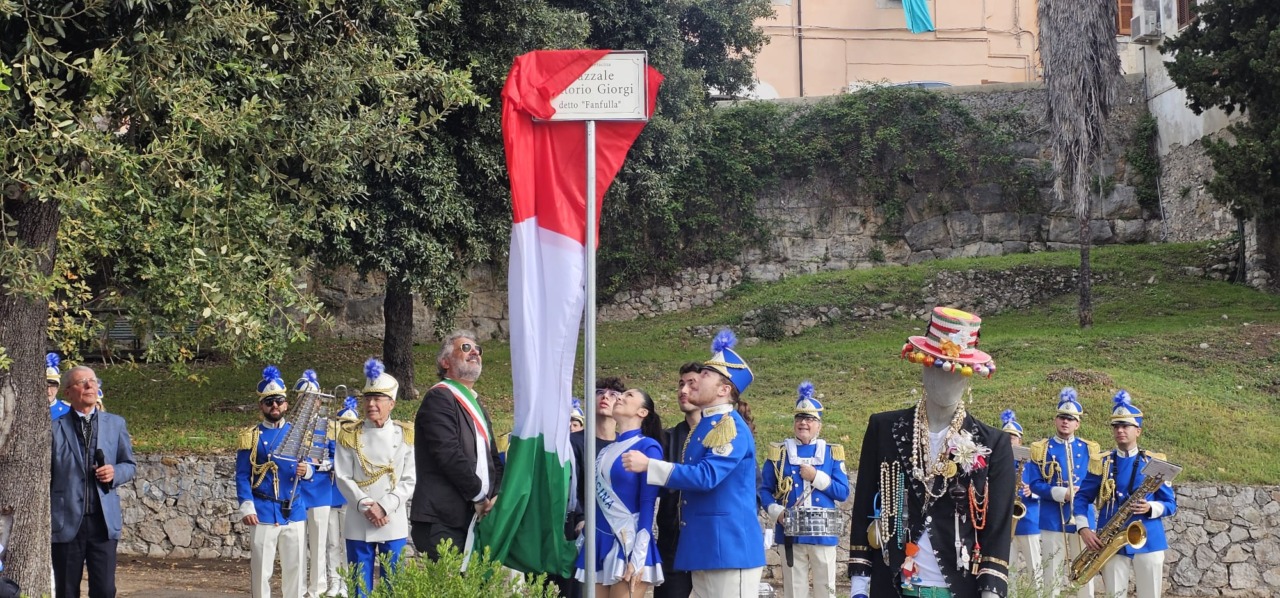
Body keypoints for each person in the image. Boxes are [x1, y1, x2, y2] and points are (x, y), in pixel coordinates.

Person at [847, 307, 1014, 598]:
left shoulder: (993, 443)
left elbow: (997, 527)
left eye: (955, 371)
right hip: (893, 583)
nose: (946, 381)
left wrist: (992, 591)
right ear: (923, 366)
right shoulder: (884, 428)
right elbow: (863, 504)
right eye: (938, 367)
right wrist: (859, 582)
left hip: (960, 586)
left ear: (968, 376)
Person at [622, 329, 765, 596]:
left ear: (724, 389)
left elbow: (706, 476)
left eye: (705, 375)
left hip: (729, 550)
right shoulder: (707, 425)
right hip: (705, 549)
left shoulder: (729, 425)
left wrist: (650, 466)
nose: (696, 380)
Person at [1072, 391, 1177, 598]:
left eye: (1126, 426)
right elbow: (1082, 498)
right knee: (1114, 594)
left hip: (1149, 538)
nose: (1120, 430)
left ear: (1138, 430)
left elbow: (1170, 504)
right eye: (1116, 426)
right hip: (1110, 541)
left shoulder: (1154, 463)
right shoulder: (1102, 462)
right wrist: (1084, 528)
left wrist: (1151, 508)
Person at [410, 331, 503, 561]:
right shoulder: (440, 398)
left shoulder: (477, 404)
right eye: (465, 348)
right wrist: (480, 496)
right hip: (443, 519)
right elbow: (448, 454)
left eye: (477, 349)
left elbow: (492, 458)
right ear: (445, 361)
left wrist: (496, 494)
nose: (475, 352)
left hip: (474, 517)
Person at [50, 365, 136, 598]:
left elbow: (129, 465)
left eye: (93, 381)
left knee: (105, 590)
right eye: (82, 382)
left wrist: (114, 473)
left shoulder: (115, 424)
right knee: (67, 591)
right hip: (66, 522)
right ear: (68, 392)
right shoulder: (53, 429)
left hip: (103, 523)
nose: (89, 386)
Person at [334, 359, 416, 598]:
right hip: (360, 521)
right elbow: (342, 477)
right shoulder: (349, 434)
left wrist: (384, 507)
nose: (371, 404)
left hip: (392, 519)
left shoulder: (405, 434)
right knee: (359, 586)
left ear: (391, 403)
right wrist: (365, 506)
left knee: (394, 585)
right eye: (367, 398)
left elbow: (409, 479)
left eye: (378, 398)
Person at [760, 381, 850, 598]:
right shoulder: (779, 454)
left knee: (826, 590)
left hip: (824, 534)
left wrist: (816, 477)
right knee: (793, 591)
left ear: (819, 425)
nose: (803, 423)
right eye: (799, 418)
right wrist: (776, 512)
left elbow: (842, 492)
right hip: (791, 533)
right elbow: (763, 490)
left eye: (810, 419)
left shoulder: (832, 453)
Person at [575, 389, 665, 597]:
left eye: (629, 395)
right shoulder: (606, 451)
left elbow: (647, 502)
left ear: (642, 412)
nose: (620, 397)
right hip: (598, 541)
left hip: (629, 541)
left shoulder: (648, 447)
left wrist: (639, 556)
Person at [236, 365, 312, 598]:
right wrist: (246, 505)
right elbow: (242, 474)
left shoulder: (298, 434)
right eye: (269, 402)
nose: (275, 406)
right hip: (263, 510)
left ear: (286, 404)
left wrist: (307, 470)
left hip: (293, 509)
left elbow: (311, 467)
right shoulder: (251, 436)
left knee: (296, 571)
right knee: (261, 572)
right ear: (261, 406)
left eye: (279, 400)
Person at [1027, 387, 1100, 598]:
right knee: (1052, 571)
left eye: (1070, 419)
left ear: (1077, 423)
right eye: (1061, 417)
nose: (1065, 422)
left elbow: (1098, 480)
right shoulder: (1042, 448)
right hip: (1053, 517)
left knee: (1085, 570)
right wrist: (1061, 493)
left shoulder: (1089, 449)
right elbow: (1035, 483)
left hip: (1082, 516)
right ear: (1055, 420)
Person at [653, 362, 702, 598]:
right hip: (673, 546)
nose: (683, 390)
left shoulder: (728, 436)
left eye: (691, 384)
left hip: (711, 544)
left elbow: (750, 489)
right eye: (681, 384)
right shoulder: (667, 439)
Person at [292, 371, 342, 598]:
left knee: (320, 543)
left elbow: (337, 461)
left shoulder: (330, 428)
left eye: (312, 399)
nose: (307, 403)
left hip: (321, 491)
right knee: (298, 545)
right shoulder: (290, 428)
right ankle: (298, 587)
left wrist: (316, 465)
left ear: (319, 401)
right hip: (297, 492)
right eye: (303, 398)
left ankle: (318, 588)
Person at [1002, 409, 1042, 590]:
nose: (1009, 439)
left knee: (1035, 568)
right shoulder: (998, 463)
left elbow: (1043, 489)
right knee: (1008, 570)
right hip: (1005, 523)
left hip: (1028, 522)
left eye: (1013, 437)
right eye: (1006, 436)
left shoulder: (1032, 464)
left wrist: (1031, 491)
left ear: (1020, 440)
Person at [47, 353, 70, 420]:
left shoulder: (67, 410)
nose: (49, 391)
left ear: (58, 388)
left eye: (53, 386)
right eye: (45, 387)